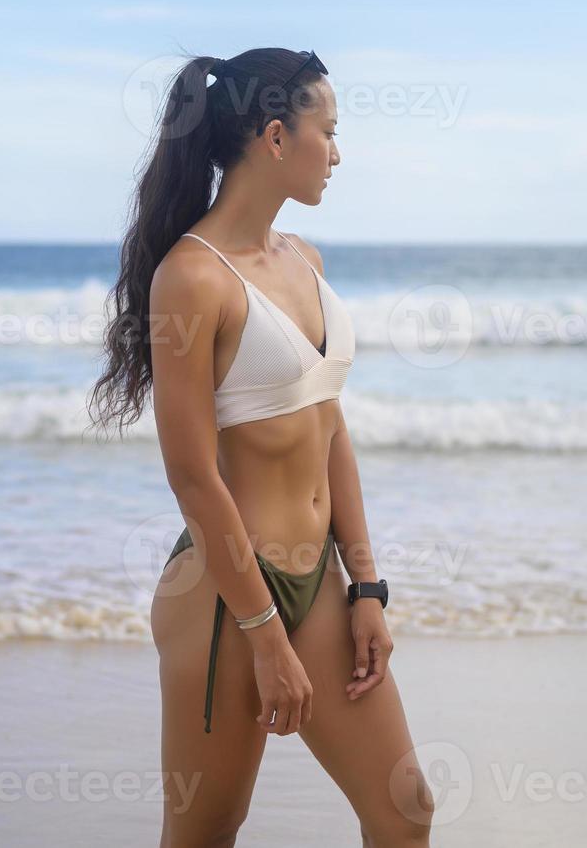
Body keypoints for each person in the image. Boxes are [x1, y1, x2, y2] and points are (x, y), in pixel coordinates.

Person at [88, 48, 434, 846]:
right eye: (329, 132)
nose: (338, 155)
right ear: (276, 138)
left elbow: (329, 427)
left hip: (318, 582)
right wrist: (265, 638)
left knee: (405, 805)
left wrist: (367, 587)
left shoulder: (303, 260)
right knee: (206, 829)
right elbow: (192, 477)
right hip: (224, 596)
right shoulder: (192, 278)